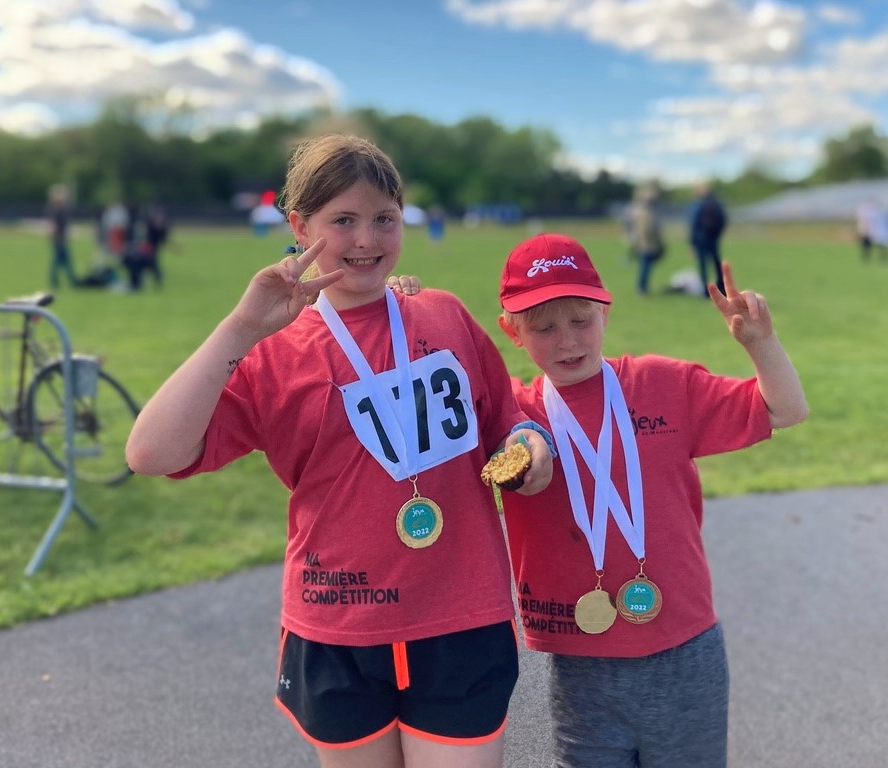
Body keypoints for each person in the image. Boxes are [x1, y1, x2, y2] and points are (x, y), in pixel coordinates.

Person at [125, 134, 554, 768]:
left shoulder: (444, 316)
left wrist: (530, 447)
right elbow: (149, 453)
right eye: (343, 221)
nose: (366, 240)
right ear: (300, 226)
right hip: (340, 622)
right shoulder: (274, 350)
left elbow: (506, 421)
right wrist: (239, 329)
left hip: (459, 614)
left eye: (384, 219)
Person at [493, 232, 808, 768]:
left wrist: (760, 343)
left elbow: (785, 410)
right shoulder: (512, 414)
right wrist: (400, 306)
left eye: (581, 320)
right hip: (580, 659)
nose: (568, 341)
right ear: (512, 331)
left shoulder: (666, 385)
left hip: (684, 649)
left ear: (606, 312)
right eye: (544, 327)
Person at [688, 183, 728, 297]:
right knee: (716, 263)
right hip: (713, 238)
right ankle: (721, 288)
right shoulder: (715, 203)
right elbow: (723, 220)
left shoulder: (697, 205)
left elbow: (694, 225)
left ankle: (706, 291)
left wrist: (692, 243)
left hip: (701, 239)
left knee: (703, 265)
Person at [626, 186, 665, 296]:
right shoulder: (645, 212)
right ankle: (641, 288)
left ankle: (642, 288)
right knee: (645, 267)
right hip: (647, 245)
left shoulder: (642, 211)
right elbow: (647, 230)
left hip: (644, 244)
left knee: (645, 267)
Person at [45, 184, 78, 289]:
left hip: (61, 239)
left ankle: (65, 281)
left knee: (61, 261)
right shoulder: (56, 211)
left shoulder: (62, 210)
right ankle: (69, 281)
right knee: (61, 261)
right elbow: (53, 225)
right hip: (59, 239)